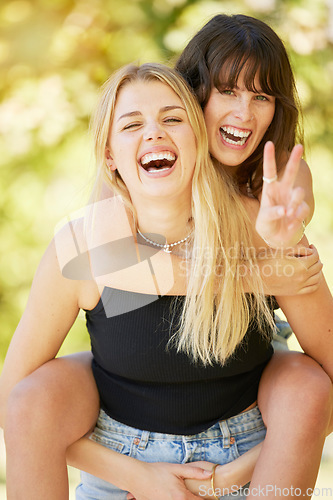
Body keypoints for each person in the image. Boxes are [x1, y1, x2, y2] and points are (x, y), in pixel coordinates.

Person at [0, 15, 332, 499]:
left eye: (172, 119)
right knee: (32, 399)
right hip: (123, 458)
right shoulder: (87, 242)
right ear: (110, 154)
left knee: (305, 384)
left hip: (243, 454)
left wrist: (229, 476)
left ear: (194, 130)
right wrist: (139, 478)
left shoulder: (261, 218)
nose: (154, 134)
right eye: (132, 125)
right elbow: (14, 398)